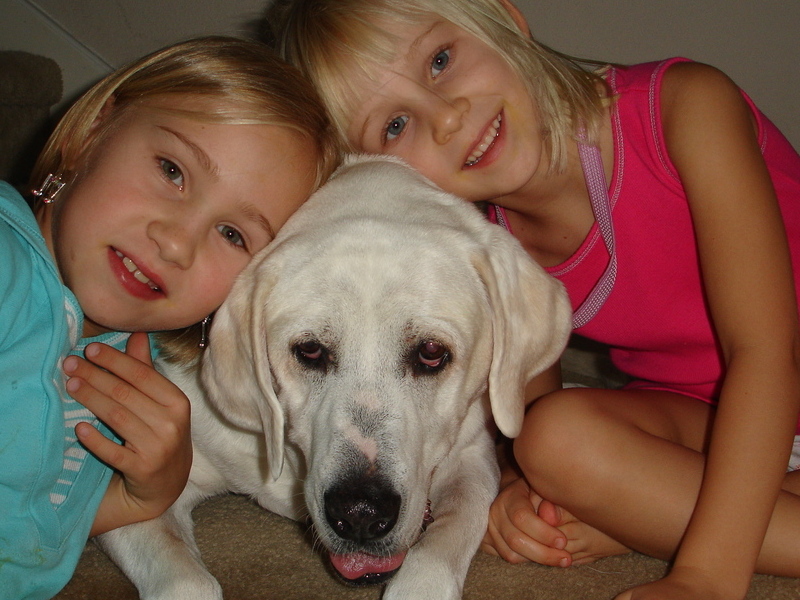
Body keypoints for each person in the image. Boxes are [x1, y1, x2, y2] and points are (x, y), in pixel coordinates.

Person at [269, 1, 800, 598]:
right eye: (395, 125)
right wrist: (534, 489)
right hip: (698, 412)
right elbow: (529, 398)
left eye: (440, 61)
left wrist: (705, 575)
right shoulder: (489, 242)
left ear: (504, 18)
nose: (445, 119)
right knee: (553, 441)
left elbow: (764, 351)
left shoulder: (684, 106)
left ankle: (691, 526)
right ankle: (684, 512)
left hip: (777, 369)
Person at [0, 35, 340, 599]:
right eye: (172, 170)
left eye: (233, 235)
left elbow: (27, 533)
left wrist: (142, 497)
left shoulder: (131, 363)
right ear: (90, 136)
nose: (178, 243)